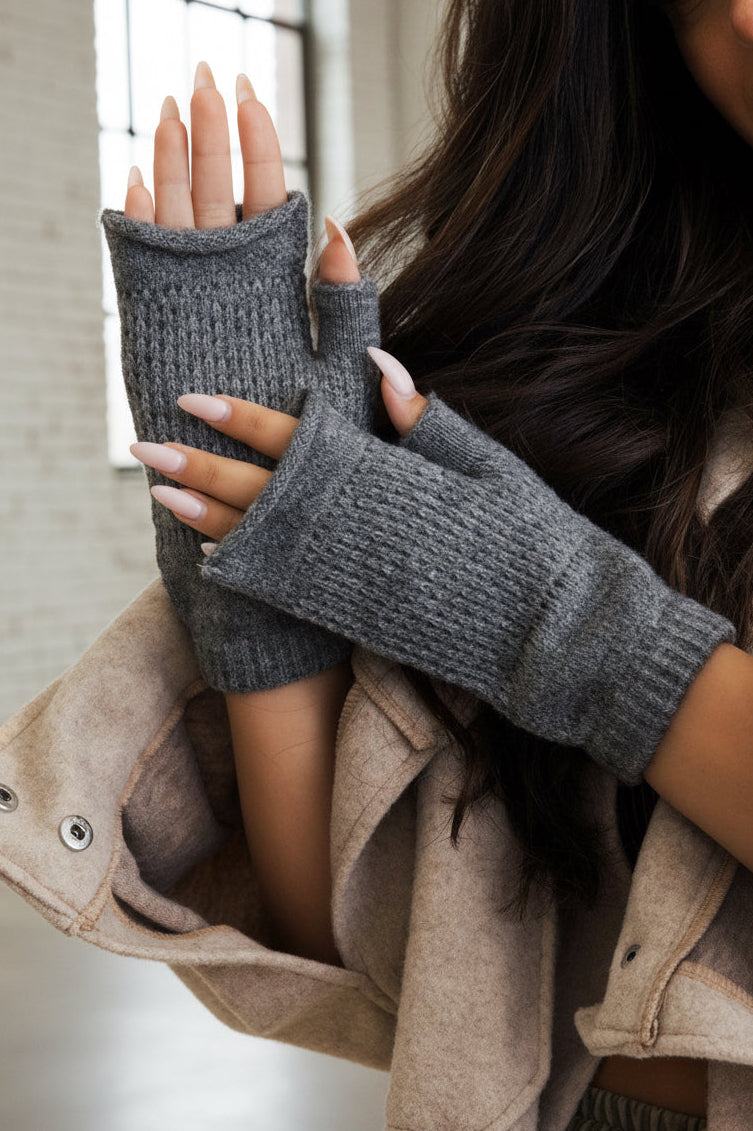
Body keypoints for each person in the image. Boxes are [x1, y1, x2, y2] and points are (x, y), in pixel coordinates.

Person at [100, 1, 753, 1127]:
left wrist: (554, 618)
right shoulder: (616, 388)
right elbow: (365, 943)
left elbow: (549, 615)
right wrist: (262, 610)